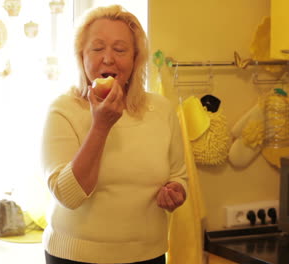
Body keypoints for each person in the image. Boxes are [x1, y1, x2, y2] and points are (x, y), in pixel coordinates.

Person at [40, 5, 187, 264]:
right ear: (81, 56)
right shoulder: (62, 110)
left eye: (120, 50)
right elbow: (68, 196)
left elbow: (179, 176)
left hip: (148, 255)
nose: (108, 58)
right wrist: (101, 126)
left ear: (135, 58)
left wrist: (176, 191)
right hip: (74, 257)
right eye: (97, 49)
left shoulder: (161, 109)